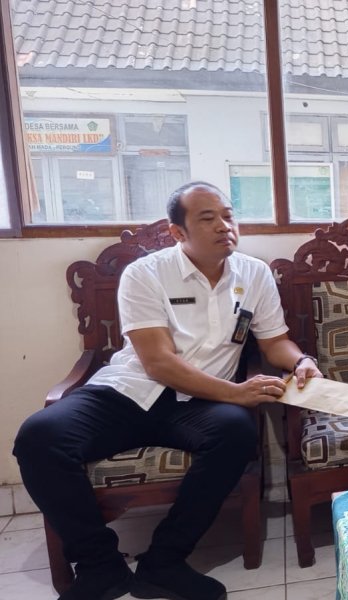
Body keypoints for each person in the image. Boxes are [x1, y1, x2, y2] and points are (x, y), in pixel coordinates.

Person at [13, 182, 322, 600]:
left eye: (228, 216)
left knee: (236, 432)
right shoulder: (145, 273)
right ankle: (99, 565)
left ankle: (164, 563)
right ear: (178, 232)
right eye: (208, 218)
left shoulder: (254, 273)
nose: (224, 226)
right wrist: (237, 393)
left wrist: (301, 362)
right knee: (39, 437)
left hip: (201, 402)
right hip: (129, 392)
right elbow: (158, 362)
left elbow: (274, 342)